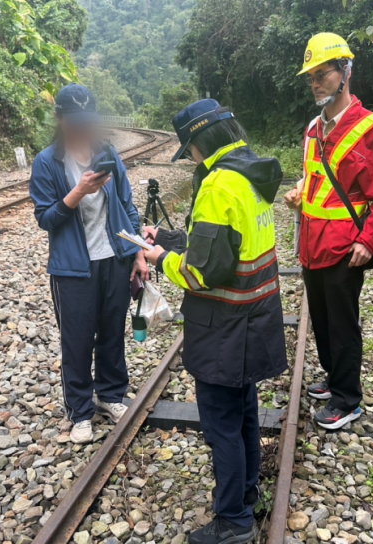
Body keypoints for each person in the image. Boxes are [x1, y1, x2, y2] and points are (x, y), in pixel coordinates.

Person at [142, 99, 286, 544]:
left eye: (188, 151)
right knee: (242, 413)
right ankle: (247, 493)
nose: (190, 159)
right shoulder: (250, 171)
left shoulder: (218, 184)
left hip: (224, 326)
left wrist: (161, 258)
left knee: (221, 424)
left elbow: (202, 272)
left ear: (198, 143)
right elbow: (225, 242)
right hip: (254, 317)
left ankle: (233, 522)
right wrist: (168, 237)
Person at [284, 33, 373, 430]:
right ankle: (334, 378)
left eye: (323, 74)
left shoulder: (369, 130)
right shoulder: (313, 129)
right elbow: (314, 179)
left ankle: (348, 399)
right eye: (311, 77)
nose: (316, 83)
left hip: (344, 249)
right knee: (322, 321)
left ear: (346, 72)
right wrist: (299, 192)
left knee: (342, 325)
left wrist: (368, 241)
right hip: (311, 244)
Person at [30, 83, 149, 444]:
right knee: (78, 341)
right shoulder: (48, 162)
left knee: (112, 333)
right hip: (72, 267)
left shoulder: (107, 152)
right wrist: (79, 191)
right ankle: (80, 411)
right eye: (74, 121)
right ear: (60, 118)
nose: (82, 127)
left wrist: (139, 252)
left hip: (113, 258)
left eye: (87, 121)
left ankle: (110, 394)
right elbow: (46, 219)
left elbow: (127, 207)